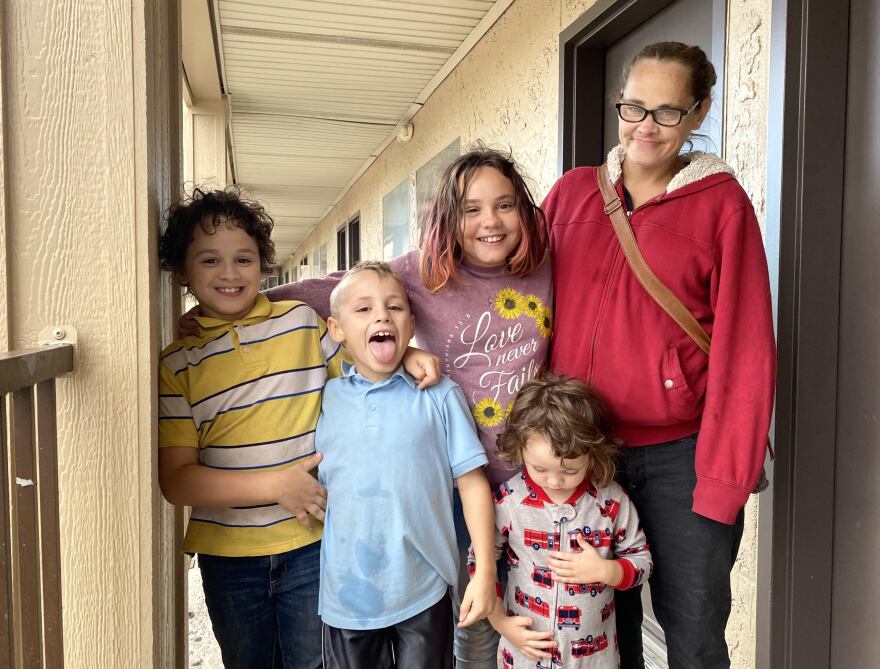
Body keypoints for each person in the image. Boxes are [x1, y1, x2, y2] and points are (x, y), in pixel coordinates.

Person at [180, 147, 552, 667]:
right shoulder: (416, 277)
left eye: (504, 205)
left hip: (537, 483)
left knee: (533, 619)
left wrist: (408, 353)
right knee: (472, 627)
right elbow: (333, 291)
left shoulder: (545, 266)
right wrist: (244, 305)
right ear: (448, 218)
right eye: (471, 208)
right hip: (429, 512)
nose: (489, 221)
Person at [542, 42, 777, 668]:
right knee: (599, 635)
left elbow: (746, 350)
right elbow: (498, 284)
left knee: (694, 636)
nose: (646, 126)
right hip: (586, 453)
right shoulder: (570, 197)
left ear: (698, 114)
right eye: (635, 107)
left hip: (685, 459)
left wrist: (725, 480)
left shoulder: (721, 205)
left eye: (668, 112)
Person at [156, 189, 433, 669]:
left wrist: (404, 353)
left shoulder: (301, 324)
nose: (228, 273)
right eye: (209, 260)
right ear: (183, 272)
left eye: (243, 258)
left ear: (263, 264)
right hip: (229, 557)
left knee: (314, 661)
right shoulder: (179, 362)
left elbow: (364, 360)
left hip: (315, 542)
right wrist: (274, 484)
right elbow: (177, 479)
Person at [316, 261, 496, 668]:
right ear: (336, 329)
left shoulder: (439, 394)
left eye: (394, 307)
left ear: (412, 324)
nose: (381, 315)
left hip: (423, 589)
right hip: (347, 597)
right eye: (363, 309)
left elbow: (472, 484)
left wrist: (484, 570)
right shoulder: (326, 395)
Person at [470, 373, 652, 668]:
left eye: (570, 471)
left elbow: (642, 561)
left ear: (592, 454)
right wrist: (500, 623)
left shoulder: (612, 501)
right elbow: (480, 563)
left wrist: (607, 571)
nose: (554, 481)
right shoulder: (508, 500)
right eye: (539, 469)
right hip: (525, 655)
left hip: (594, 660)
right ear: (520, 449)